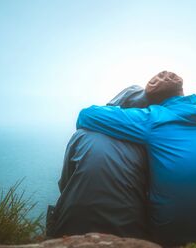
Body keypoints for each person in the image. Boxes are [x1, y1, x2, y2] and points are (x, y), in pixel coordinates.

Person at [77, 71, 196, 245]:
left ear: (150, 101)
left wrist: (124, 107)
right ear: (182, 92)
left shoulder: (152, 119)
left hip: (168, 230)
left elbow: (86, 115)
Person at [46, 85, 150, 239]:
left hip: (71, 226)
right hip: (127, 230)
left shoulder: (81, 135)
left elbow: (65, 183)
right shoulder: (146, 145)